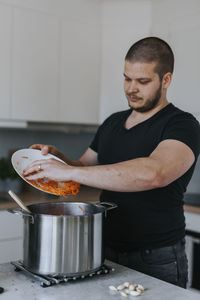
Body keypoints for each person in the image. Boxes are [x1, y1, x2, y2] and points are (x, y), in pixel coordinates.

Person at [23, 37, 200, 288]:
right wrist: (57, 158)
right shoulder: (112, 123)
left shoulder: (182, 124)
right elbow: (85, 169)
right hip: (104, 249)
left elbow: (155, 173)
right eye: (127, 78)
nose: (131, 88)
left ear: (166, 80)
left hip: (157, 258)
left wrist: (69, 171)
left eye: (143, 81)